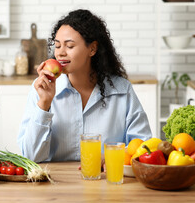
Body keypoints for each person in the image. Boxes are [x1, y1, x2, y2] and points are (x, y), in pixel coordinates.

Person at [17, 9, 152, 163]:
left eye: (69, 46)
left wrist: (110, 158)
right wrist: (44, 105)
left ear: (92, 49)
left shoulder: (122, 91)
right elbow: (29, 157)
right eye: (58, 45)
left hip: (105, 183)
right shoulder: (42, 88)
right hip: (55, 184)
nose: (60, 53)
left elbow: (143, 148)